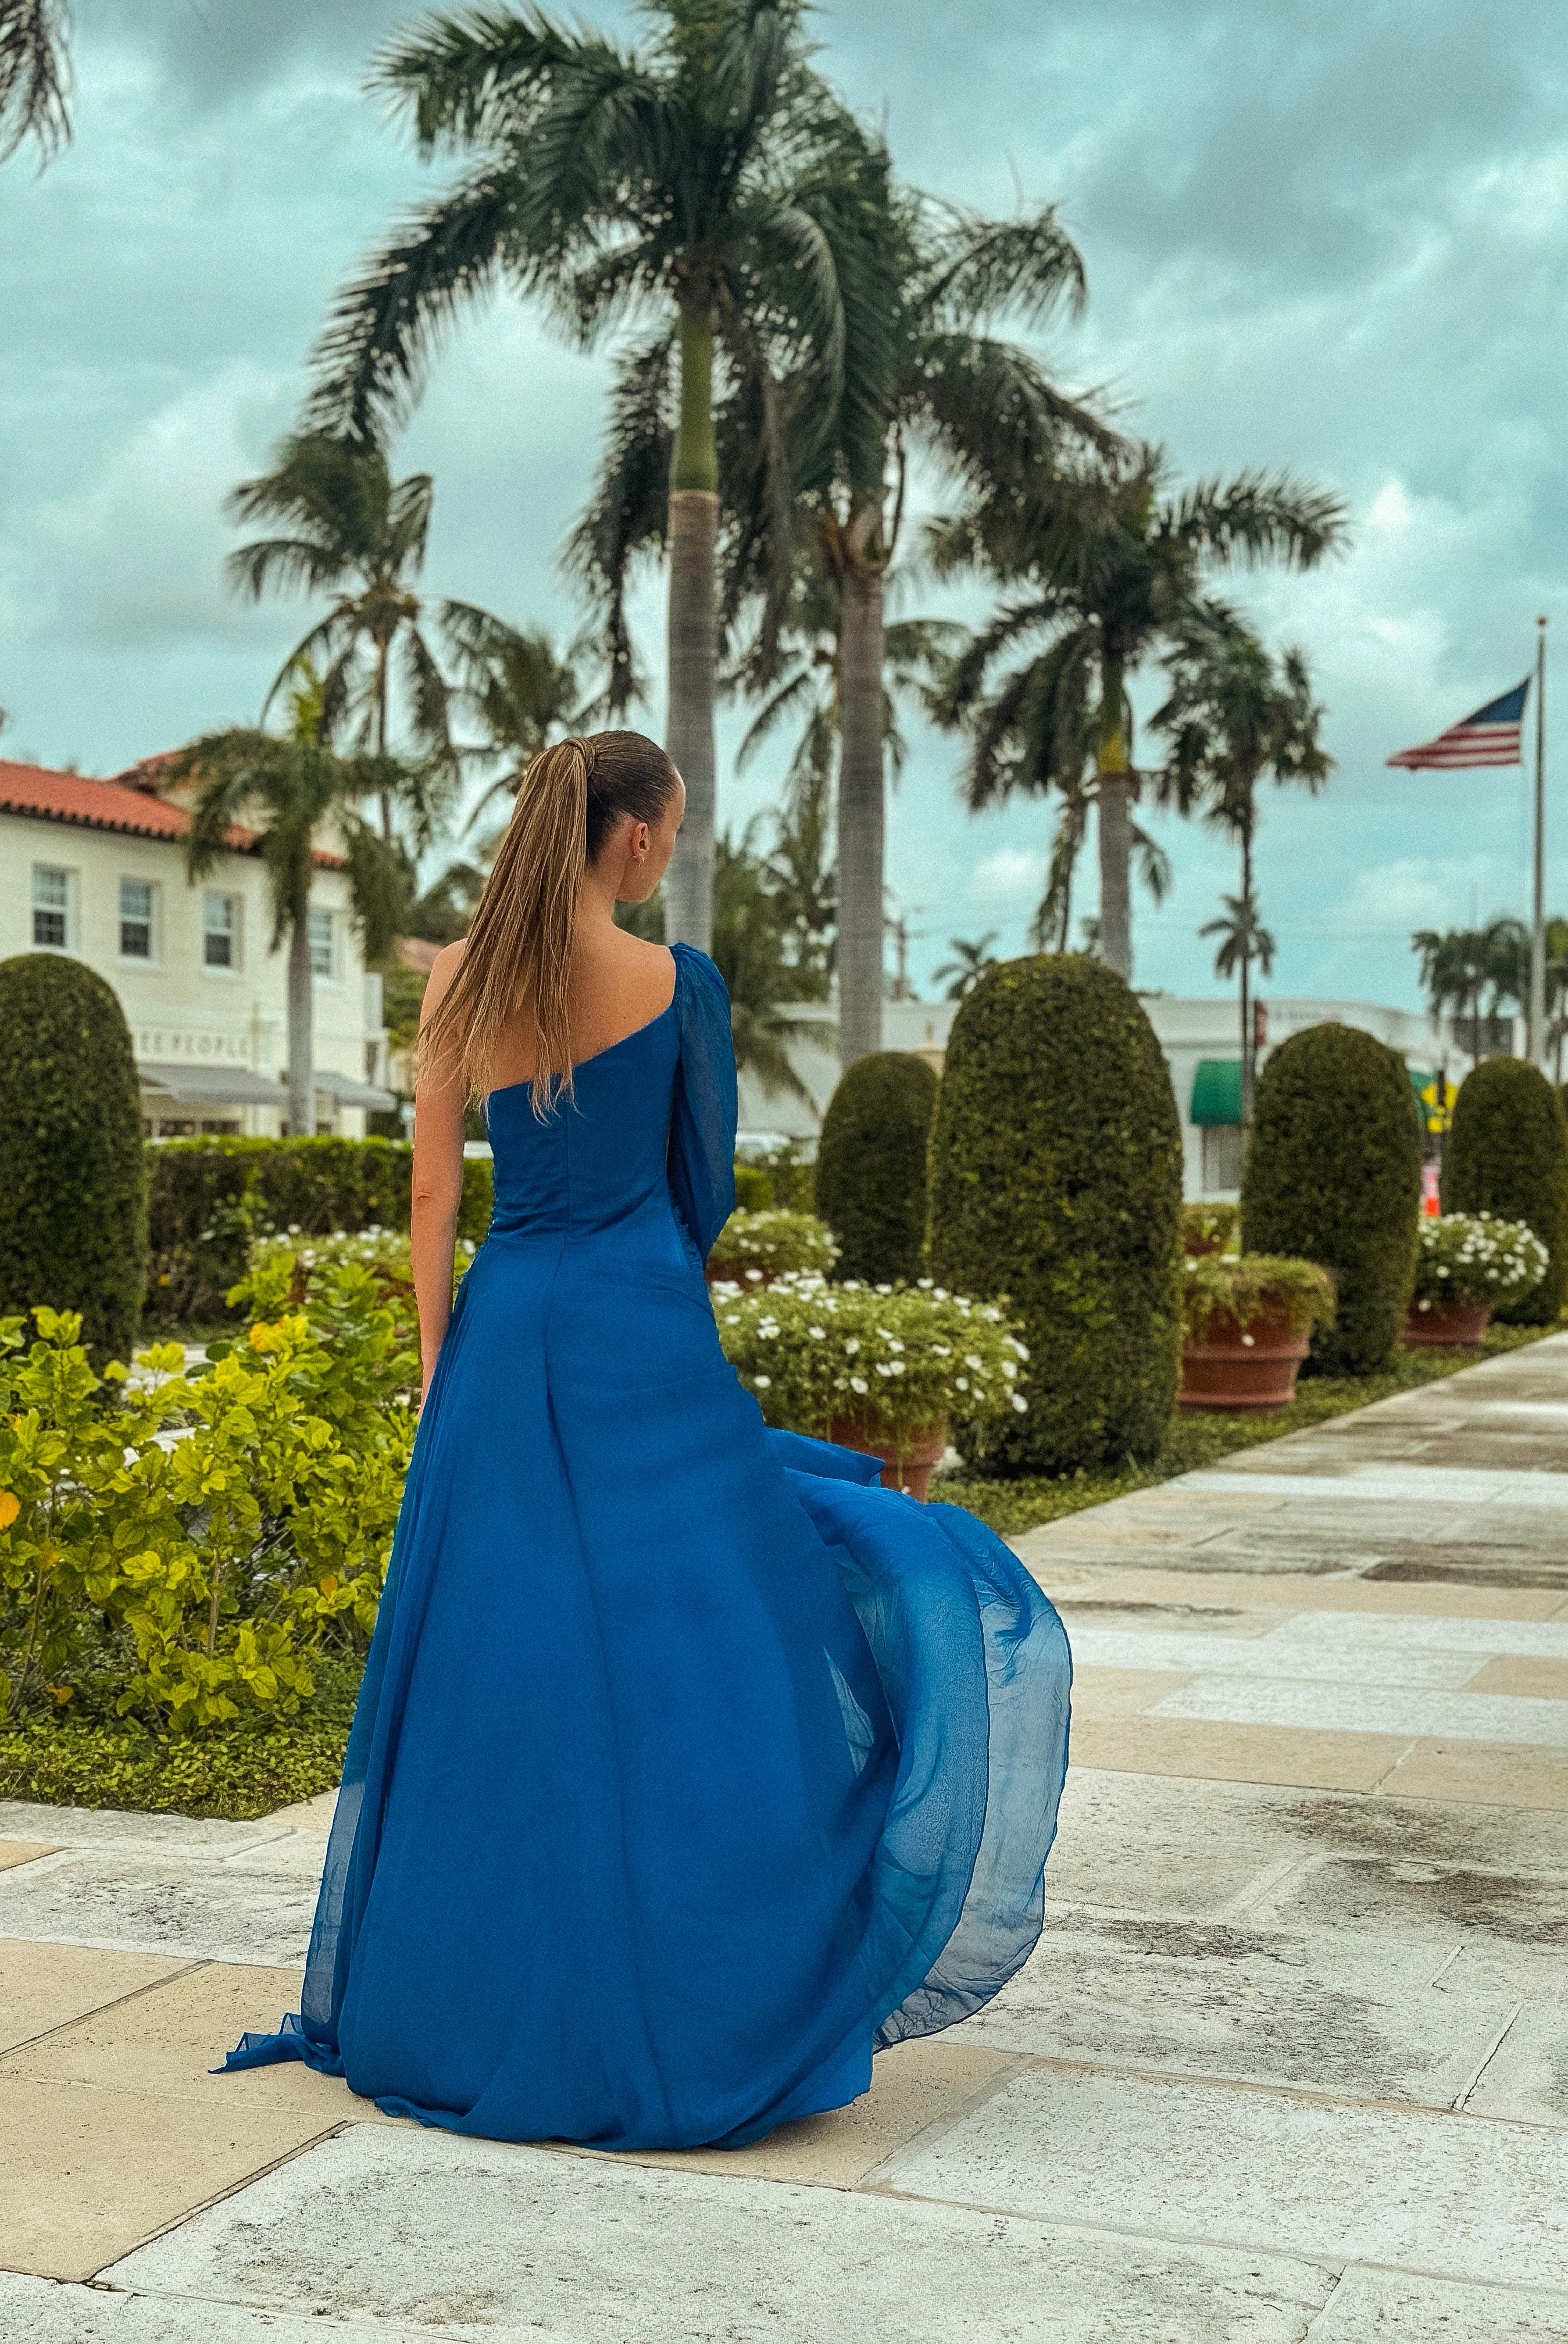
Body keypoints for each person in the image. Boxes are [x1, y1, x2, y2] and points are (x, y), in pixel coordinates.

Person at [221, 729, 1070, 2150]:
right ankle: (723, 1975)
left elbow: (433, 1197)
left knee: (501, 1667)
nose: (667, 853)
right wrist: (646, 1267)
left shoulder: (463, 983)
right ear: (632, 840)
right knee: (705, 1641)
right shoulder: (678, 981)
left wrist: (443, 1360)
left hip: (505, 1338)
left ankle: (456, 1998)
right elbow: (704, 1184)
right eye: (668, 834)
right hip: (642, 1329)